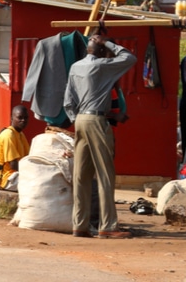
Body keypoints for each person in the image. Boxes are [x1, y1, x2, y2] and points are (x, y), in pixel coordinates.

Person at [64, 35, 137, 239]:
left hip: (80, 120)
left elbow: (68, 102)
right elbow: (129, 57)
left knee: (81, 176)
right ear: (103, 52)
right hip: (96, 121)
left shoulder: (75, 67)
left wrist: (78, 119)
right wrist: (108, 43)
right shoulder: (103, 66)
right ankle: (108, 226)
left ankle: (79, 225)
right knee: (105, 174)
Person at [0, 105, 30, 191]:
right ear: (11, 118)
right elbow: (14, 165)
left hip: (18, 174)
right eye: (19, 118)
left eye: (26, 118)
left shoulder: (20, 134)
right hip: (7, 178)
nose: (23, 120)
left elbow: (29, 157)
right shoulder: (9, 135)